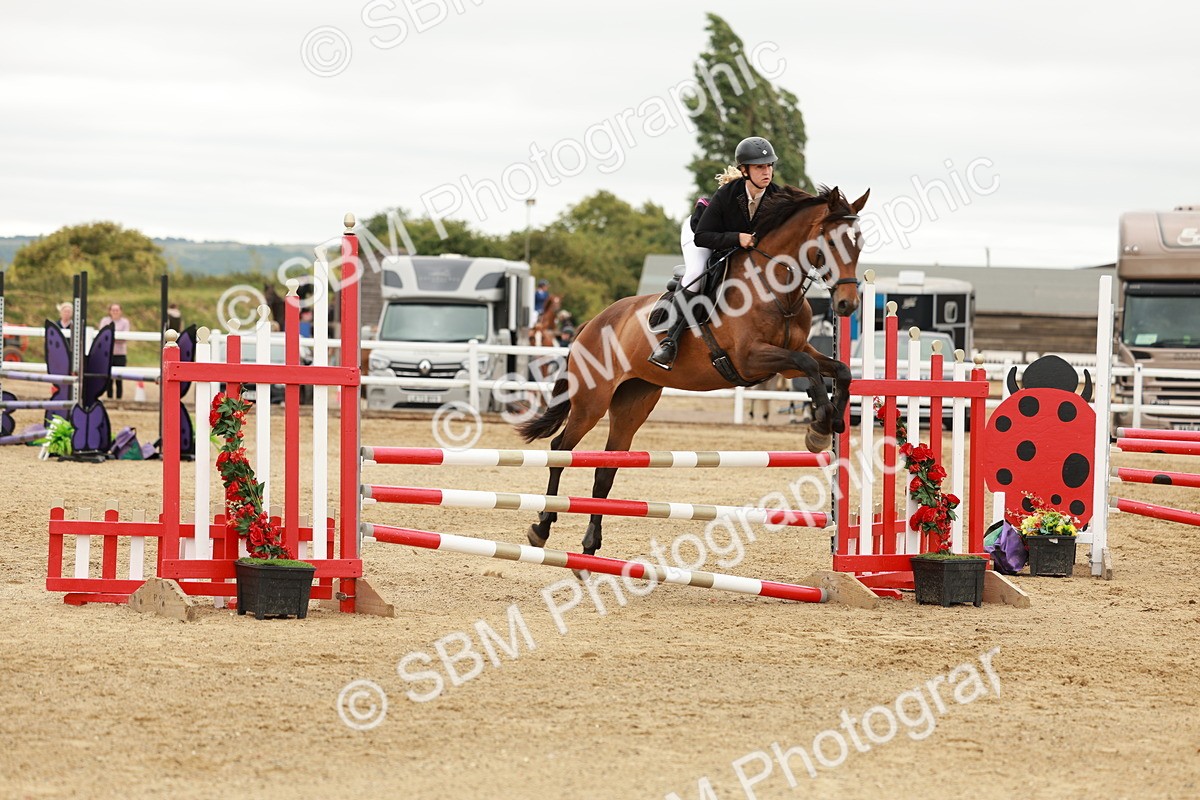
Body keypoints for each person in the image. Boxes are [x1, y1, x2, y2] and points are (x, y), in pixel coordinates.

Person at [648, 136, 783, 370]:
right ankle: (670, 342)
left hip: (735, 243)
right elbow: (703, 236)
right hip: (699, 234)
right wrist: (737, 238)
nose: (767, 171)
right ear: (744, 170)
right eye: (760, 167)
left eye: (769, 165)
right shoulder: (727, 195)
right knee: (697, 273)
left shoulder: (776, 196)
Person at [98, 303, 131, 399]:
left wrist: (111, 339)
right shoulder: (105, 320)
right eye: (113, 310)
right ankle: (110, 397)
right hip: (108, 353)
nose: (115, 312)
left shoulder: (125, 322)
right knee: (108, 378)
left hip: (120, 353)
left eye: (117, 310)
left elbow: (124, 338)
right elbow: (102, 335)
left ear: (121, 311)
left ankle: (119, 398)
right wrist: (116, 338)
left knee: (119, 378)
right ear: (110, 311)